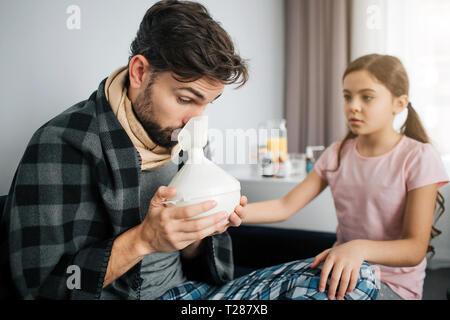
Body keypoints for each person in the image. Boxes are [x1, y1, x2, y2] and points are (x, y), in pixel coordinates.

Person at [0, 1, 378, 300]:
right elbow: (41, 287)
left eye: (207, 103)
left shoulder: (186, 139)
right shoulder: (63, 144)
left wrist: (201, 231)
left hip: (193, 294)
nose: (196, 119)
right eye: (185, 98)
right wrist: (143, 239)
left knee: (354, 279)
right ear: (139, 72)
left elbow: (200, 259)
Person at [239, 54, 449, 300]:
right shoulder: (337, 153)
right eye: (347, 96)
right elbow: (284, 206)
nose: (353, 106)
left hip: (393, 287)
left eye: (367, 97)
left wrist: (357, 248)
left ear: (399, 103)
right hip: (340, 274)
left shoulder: (418, 157)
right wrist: (226, 214)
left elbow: (414, 248)